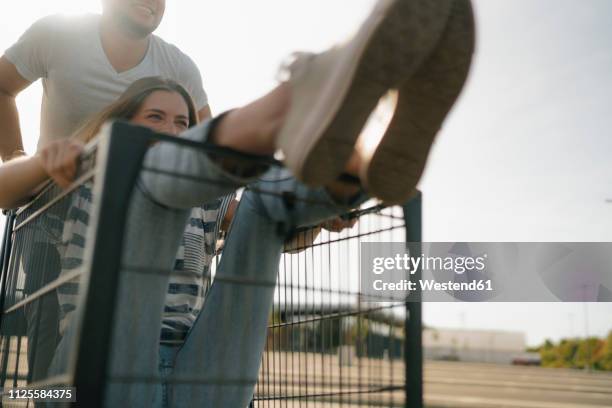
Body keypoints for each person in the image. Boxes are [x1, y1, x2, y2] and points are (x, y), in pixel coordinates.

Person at [2, 0, 474, 405]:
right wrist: (40, 160)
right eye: (154, 118)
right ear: (120, 124)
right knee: (155, 182)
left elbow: (269, 233)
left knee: (264, 202)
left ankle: (353, 170)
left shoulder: (207, 203)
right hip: (97, 376)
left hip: (197, 370)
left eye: (183, 122)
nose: (172, 130)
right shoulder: (87, 172)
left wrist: (316, 213)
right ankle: (286, 109)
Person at [0, 0, 211, 163]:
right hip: (49, 208)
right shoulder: (56, 34)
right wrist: (14, 162)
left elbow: (209, 149)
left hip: (137, 212)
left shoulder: (180, 69)